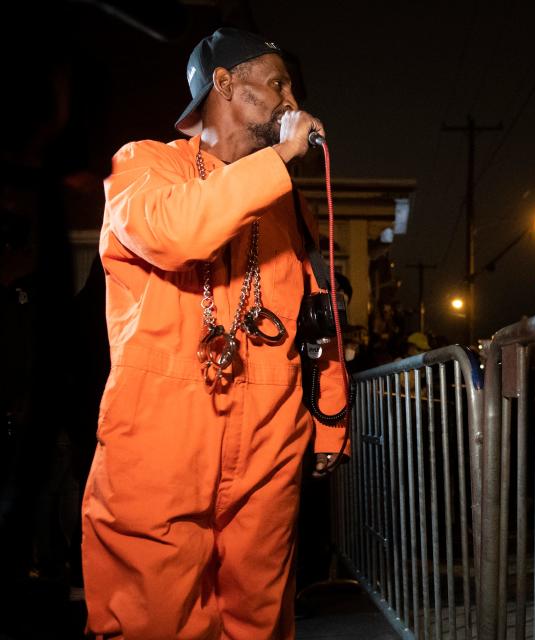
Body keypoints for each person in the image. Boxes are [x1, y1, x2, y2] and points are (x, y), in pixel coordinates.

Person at [81, 27, 349, 639]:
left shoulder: (288, 204)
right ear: (224, 84)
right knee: (153, 610)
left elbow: (316, 315)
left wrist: (331, 418)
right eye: (276, 82)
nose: (290, 98)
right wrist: (279, 159)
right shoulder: (145, 164)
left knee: (260, 610)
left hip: (271, 429)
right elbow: (175, 233)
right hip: (161, 427)